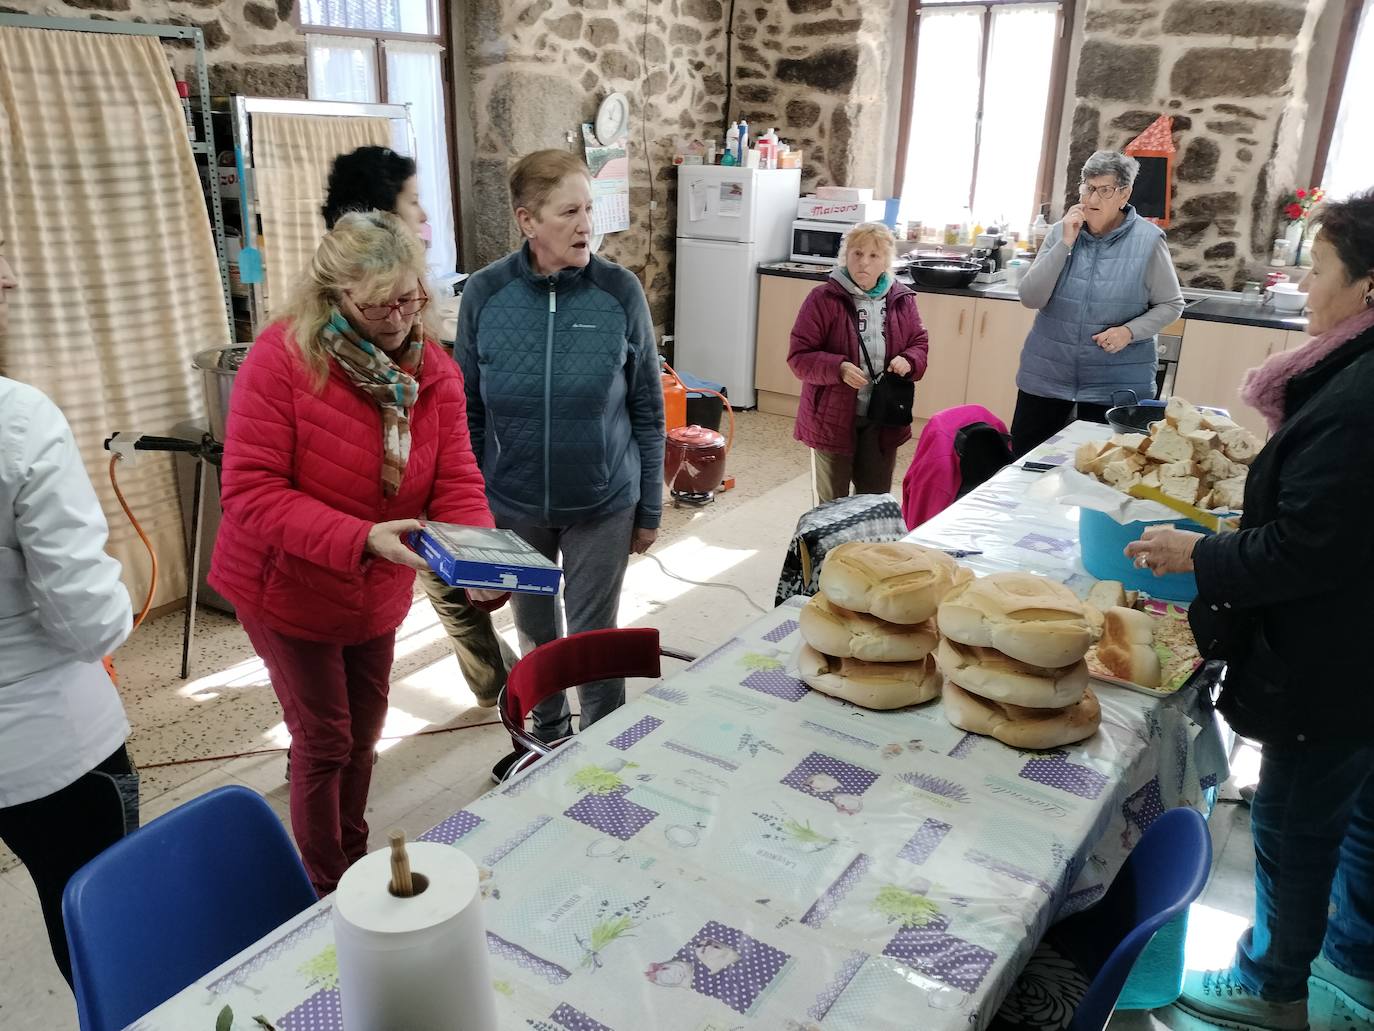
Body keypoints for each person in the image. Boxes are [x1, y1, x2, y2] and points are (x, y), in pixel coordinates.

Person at [1126, 188, 1374, 1031]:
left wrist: (1200, 553)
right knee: (1358, 815)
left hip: (1336, 662)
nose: (1305, 286)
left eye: (1318, 269)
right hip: (1355, 653)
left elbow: (1308, 551)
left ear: (1368, 287)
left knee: (1294, 820)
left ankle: (1273, 985)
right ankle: (1355, 968)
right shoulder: (1352, 371)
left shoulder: (1360, 399)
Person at [209, 212, 498, 895]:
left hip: (374, 587)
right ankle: (324, 885)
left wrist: (480, 556)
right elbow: (249, 492)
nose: (398, 318)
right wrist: (360, 536)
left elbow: (456, 476)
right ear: (333, 296)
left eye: (409, 298)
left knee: (365, 733)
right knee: (325, 738)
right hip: (283, 584)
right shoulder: (281, 360)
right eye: (377, 304)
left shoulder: (434, 371)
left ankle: (354, 851)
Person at [455, 149, 665, 782]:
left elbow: (648, 408)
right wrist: (476, 520)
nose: (586, 225)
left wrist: (649, 506)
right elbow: (465, 413)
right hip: (514, 502)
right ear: (527, 220)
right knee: (537, 638)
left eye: (589, 209)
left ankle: (603, 752)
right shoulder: (486, 296)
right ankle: (543, 745)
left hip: (603, 501)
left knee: (593, 638)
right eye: (569, 211)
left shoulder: (618, 292)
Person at [321, 146, 516, 711]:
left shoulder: (424, 355)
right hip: (339, 554)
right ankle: (496, 683)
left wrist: (478, 552)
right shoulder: (312, 344)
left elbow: (454, 469)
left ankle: (498, 684)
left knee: (446, 581)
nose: (425, 219)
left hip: (401, 516)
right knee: (331, 706)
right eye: (412, 204)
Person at [0, 237, 139, 985]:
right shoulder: (18, 421)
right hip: (52, 745)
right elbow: (89, 621)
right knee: (104, 928)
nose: (12, 273)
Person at [1011, 150, 1184, 457]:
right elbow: (1031, 297)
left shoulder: (1148, 241)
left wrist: (1128, 332)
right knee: (1028, 466)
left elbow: (1171, 304)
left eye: (1104, 190)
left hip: (1114, 387)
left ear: (1124, 194)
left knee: (1104, 477)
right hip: (1047, 379)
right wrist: (1064, 244)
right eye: (1089, 188)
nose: (1093, 198)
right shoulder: (1061, 233)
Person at [788, 221, 929, 502]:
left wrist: (909, 360)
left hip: (883, 416)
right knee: (832, 507)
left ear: (886, 262)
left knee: (873, 503)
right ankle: (829, 549)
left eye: (873, 256)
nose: (863, 262)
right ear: (846, 256)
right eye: (857, 253)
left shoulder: (902, 299)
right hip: (832, 417)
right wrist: (837, 368)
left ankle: (865, 549)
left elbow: (919, 343)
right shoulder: (822, 298)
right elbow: (799, 357)